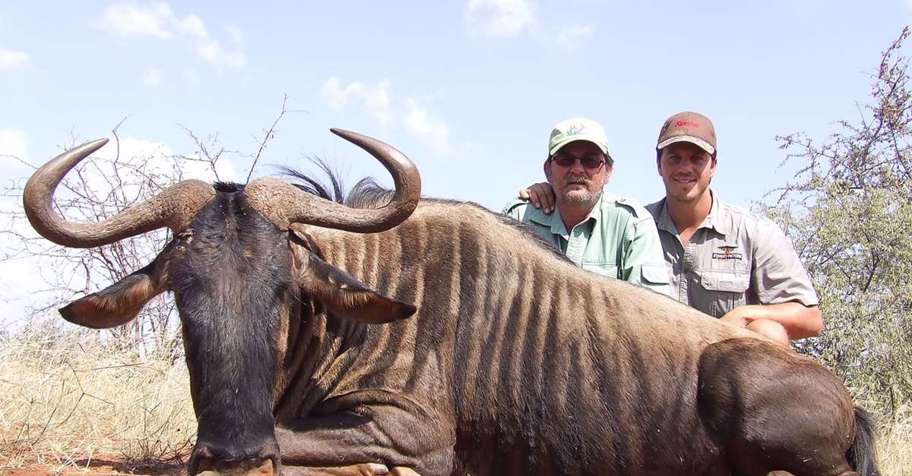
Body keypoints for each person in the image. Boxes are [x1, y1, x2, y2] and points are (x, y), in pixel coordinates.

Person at [520, 112, 822, 345]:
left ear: (714, 165)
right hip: (660, 369)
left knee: (769, 333)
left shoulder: (753, 232)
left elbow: (810, 318)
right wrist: (550, 192)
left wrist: (742, 315)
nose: (685, 168)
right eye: (674, 158)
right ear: (659, 164)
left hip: (726, 368)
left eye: (697, 158)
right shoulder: (636, 225)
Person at [504, 117, 671, 296]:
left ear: (608, 171)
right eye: (565, 160)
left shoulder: (632, 224)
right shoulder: (518, 219)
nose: (577, 169)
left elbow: (649, 308)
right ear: (548, 170)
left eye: (590, 161)